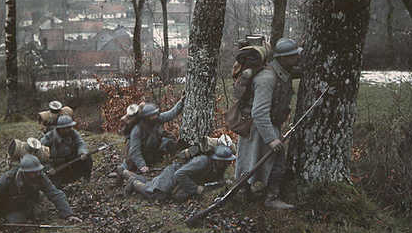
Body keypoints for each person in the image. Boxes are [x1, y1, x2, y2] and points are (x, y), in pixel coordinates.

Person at [234, 37, 302, 210]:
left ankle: (251, 194)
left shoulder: (281, 72)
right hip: (258, 127)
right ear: (283, 58)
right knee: (269, 161)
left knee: (253, 161)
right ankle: (268, 198)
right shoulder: (267, 78)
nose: (297, 58)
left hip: (265, 124)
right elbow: (259, 112)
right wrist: (271, 139)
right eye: (293, 56)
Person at [0, 154, 81, 224]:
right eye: (32, 172)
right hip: (0, 201)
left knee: (15, 223)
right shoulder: (9, 177)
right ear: (24, 172)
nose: (36, 174)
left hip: (18, 206)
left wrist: (68, 214)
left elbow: (55, 194)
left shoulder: (40, 177)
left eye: (37, 171)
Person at [118, 141, 236, 202]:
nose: (227, 164)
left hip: (181, 176)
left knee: (152, 183)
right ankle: (132, 181)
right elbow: (179, 174)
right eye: (225, 161)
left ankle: (125, 173)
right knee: (157, 195)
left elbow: (214, 180)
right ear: (217, 160)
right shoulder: (202, 161)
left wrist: (225, 183)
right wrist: (195, 189)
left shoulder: (218, 167)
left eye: (228, 161)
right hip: (175, 172)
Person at [119, 95, 185, 176]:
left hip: (153, 148)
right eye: (153, 115)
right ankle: (122, 170)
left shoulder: (157, 118)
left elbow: (171, 114)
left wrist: (181, 102)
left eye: (156, 114)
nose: (156, 116)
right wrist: (142, 166)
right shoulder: (137, 130)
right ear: (146, 117)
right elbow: (135, 151)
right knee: (131, 166)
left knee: (168, 141)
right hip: (142, 154)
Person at [41, 114, 92, 187]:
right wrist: (48, 168)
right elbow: (40, 156)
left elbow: (81, 143)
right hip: (55, 165)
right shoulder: (48, 138)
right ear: (60, 128)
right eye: (66, 128)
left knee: (87, 157)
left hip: (70, 160)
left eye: (70, 127)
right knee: (56, 184)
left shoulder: (73, 133)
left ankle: (85, 180)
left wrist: (82, 152)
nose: (69, 130)